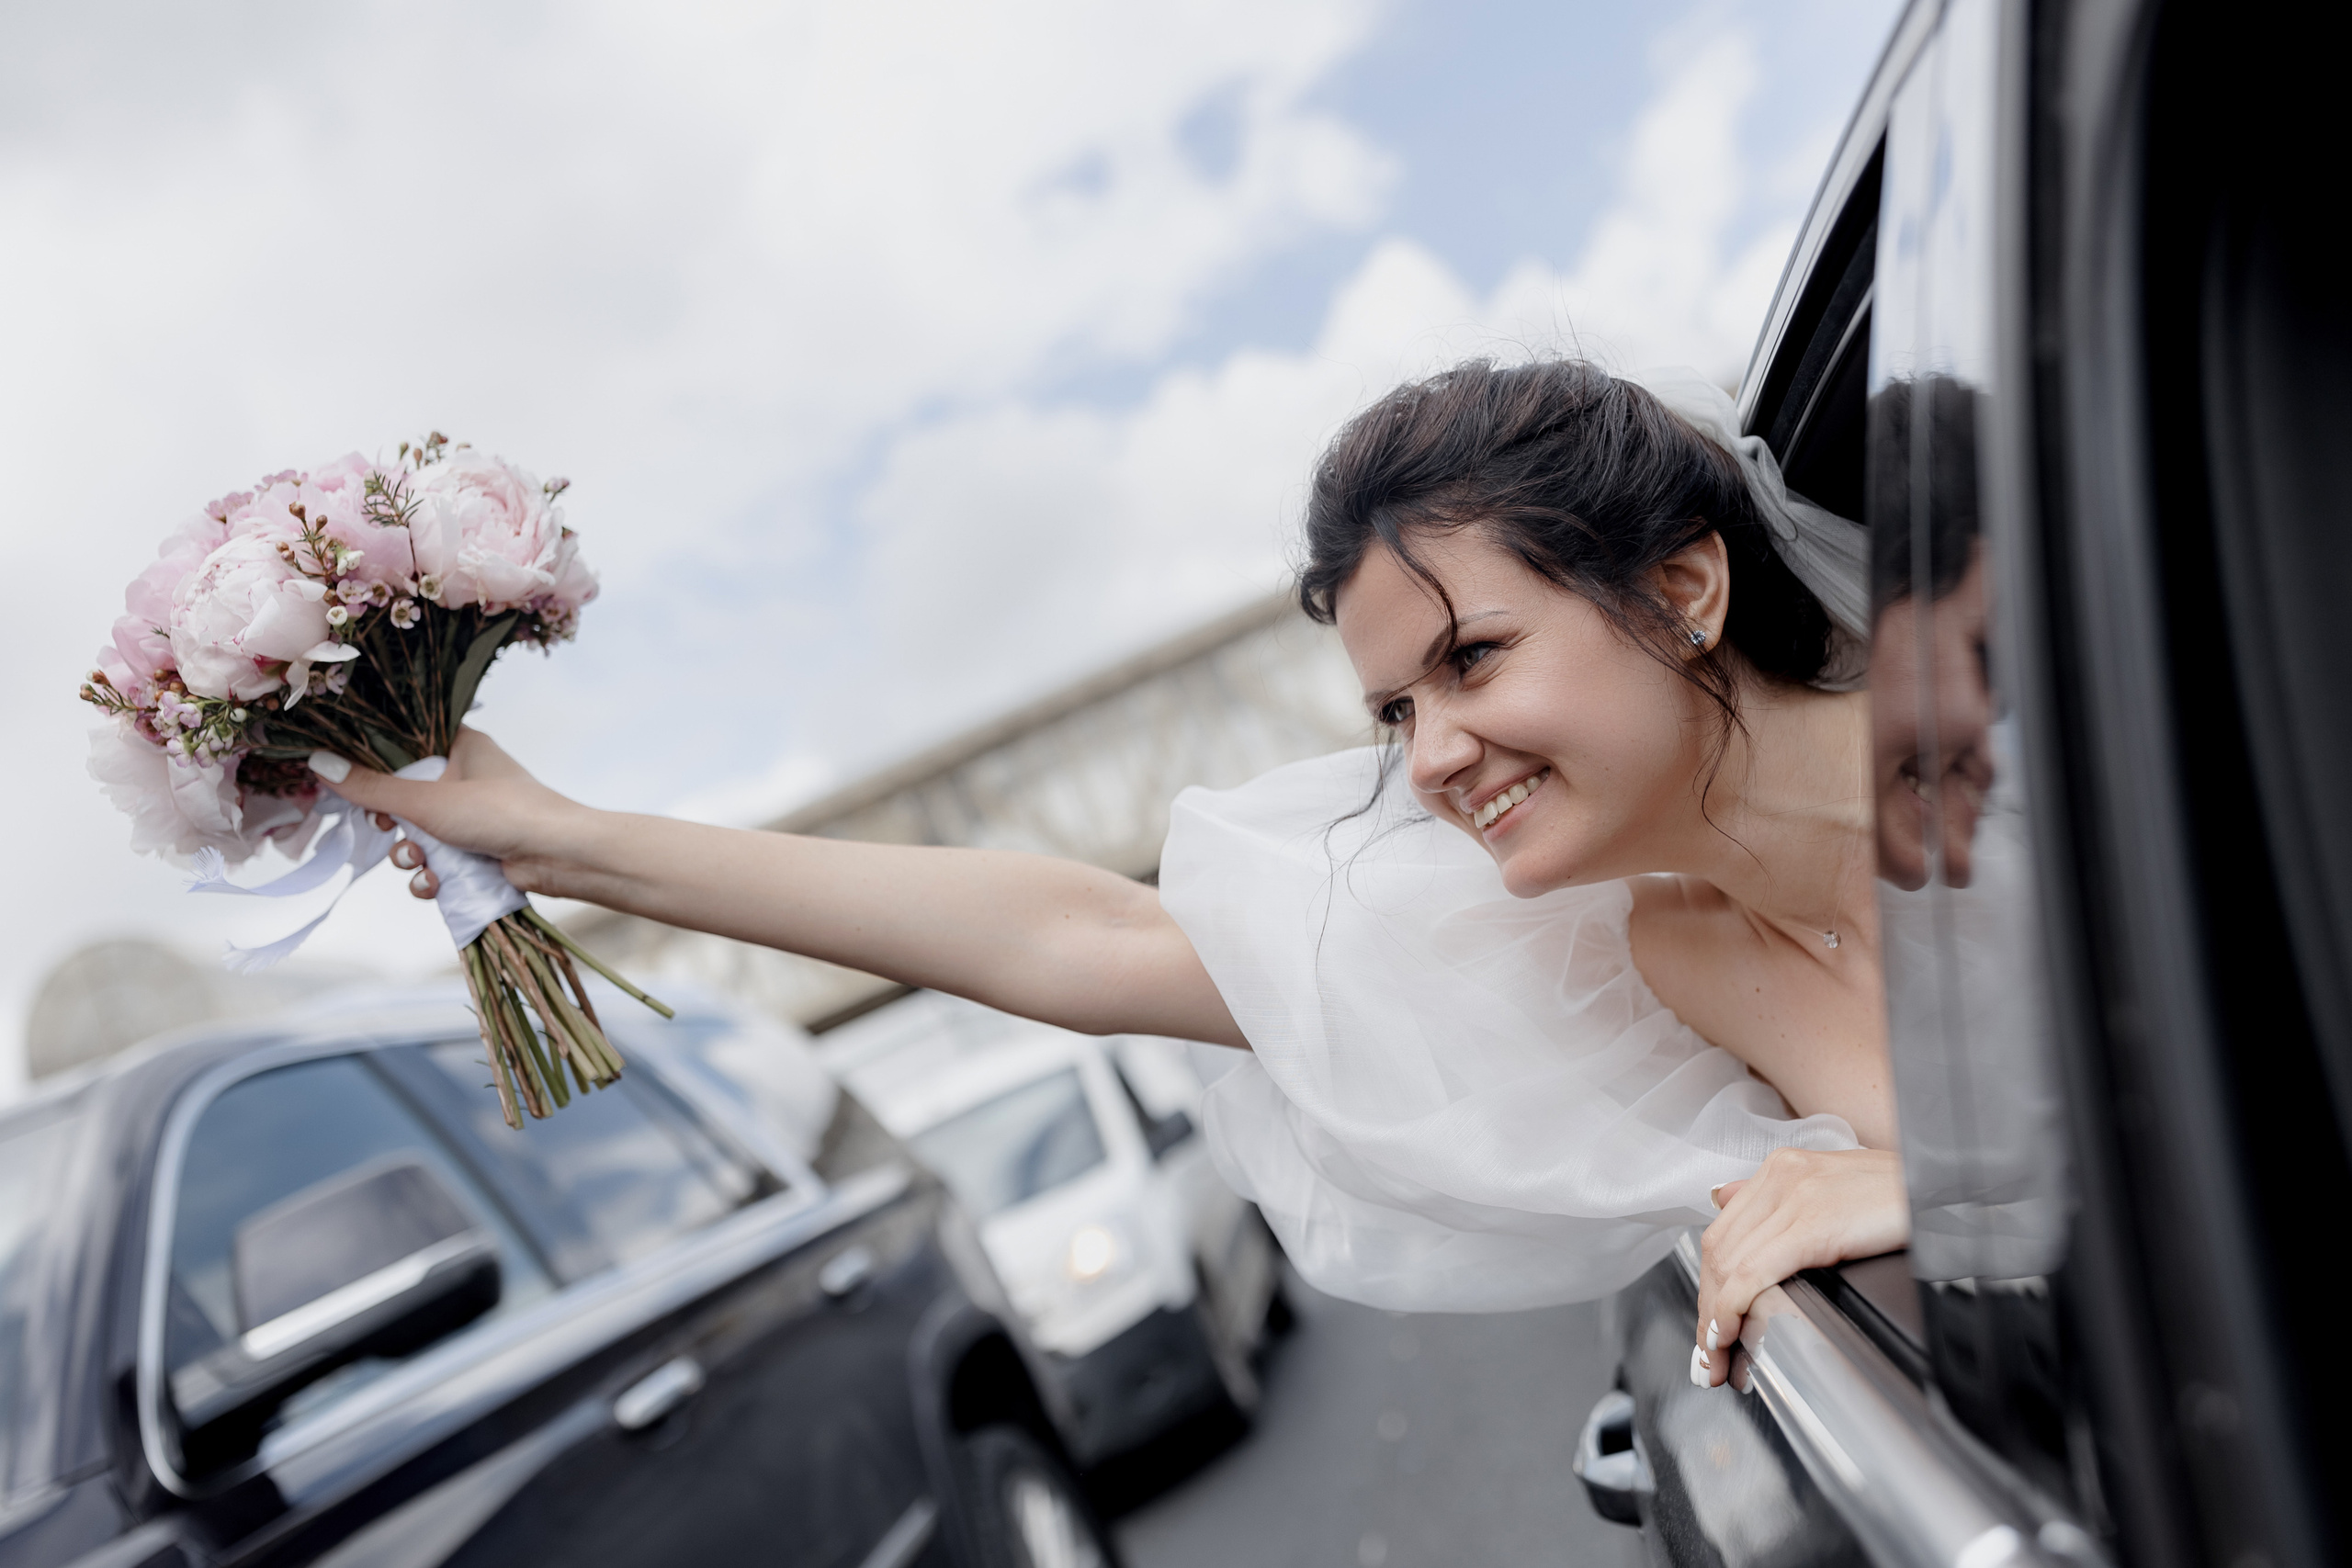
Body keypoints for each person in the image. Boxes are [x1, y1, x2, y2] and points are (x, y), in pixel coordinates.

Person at [316, 358, 1908, 1391]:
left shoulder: (2046, 731)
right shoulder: (1653, 958)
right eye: (1397, 709)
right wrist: (560, 843)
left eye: (1475, 656)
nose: (1430, 757)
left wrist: (1948, 1193)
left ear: (1687, 586)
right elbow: (1086, 938)